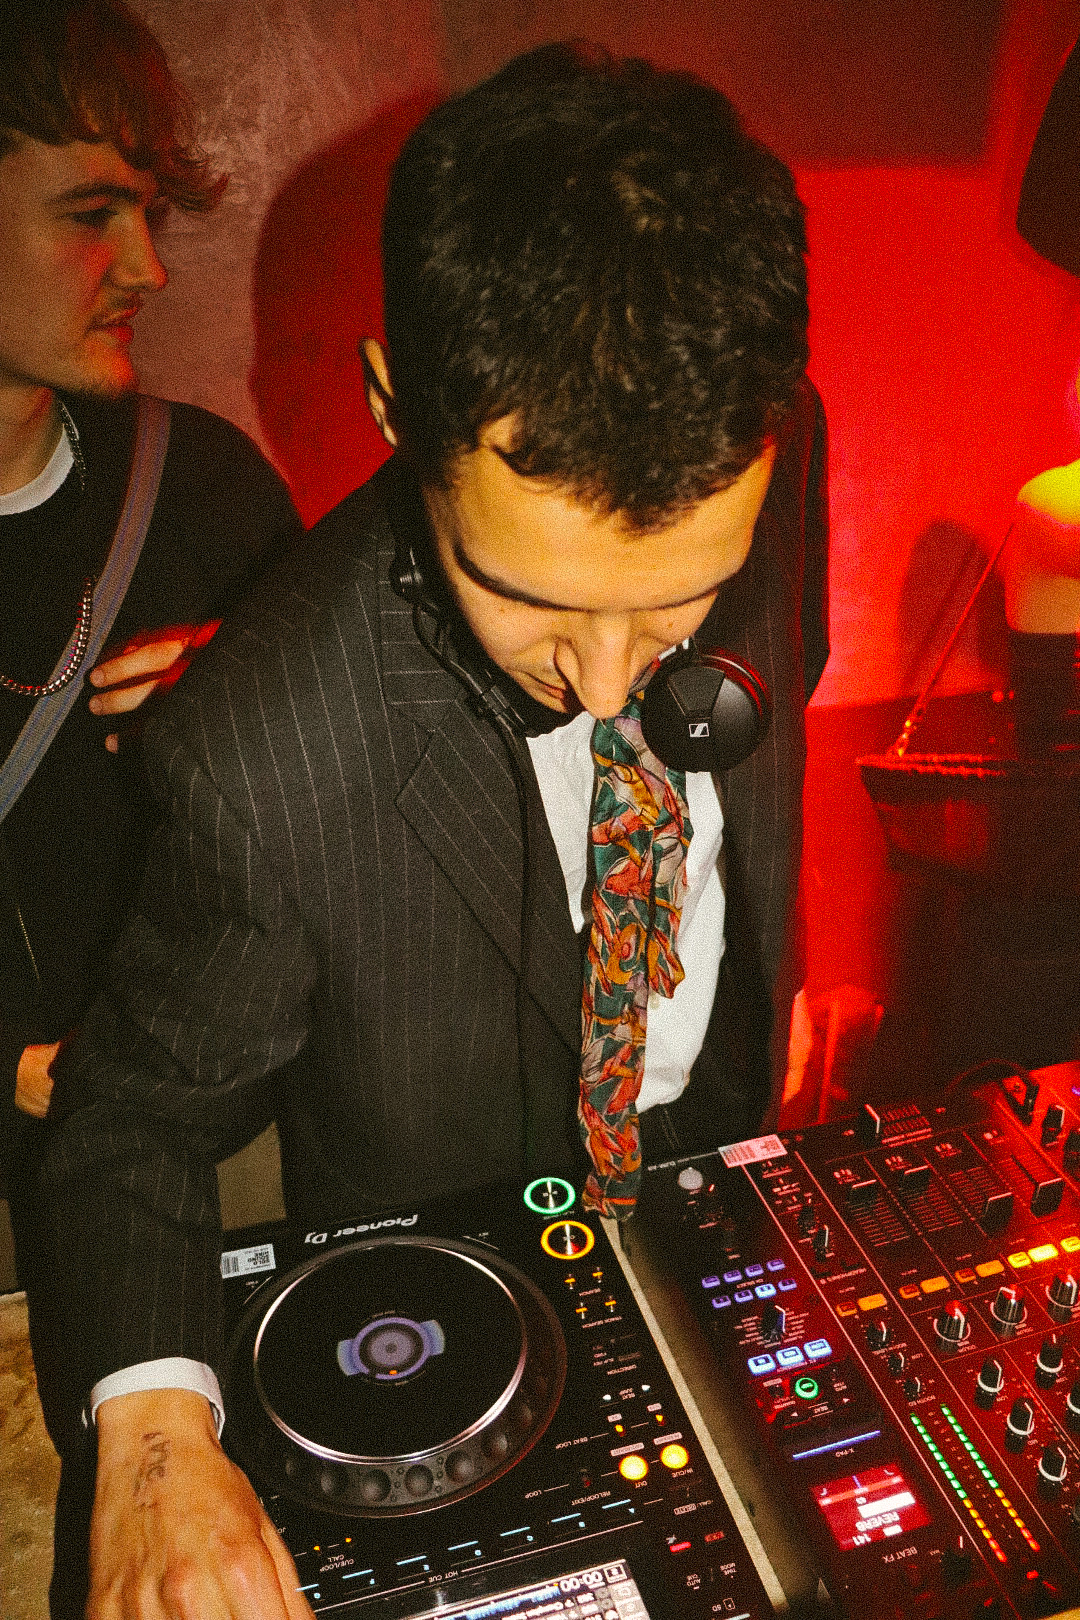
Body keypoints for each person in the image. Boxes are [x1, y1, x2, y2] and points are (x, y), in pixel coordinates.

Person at [43, 42, 828, 1618]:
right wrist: (153, 1440)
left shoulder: (776, 439)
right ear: (395, 404)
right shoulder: (258, 752)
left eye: (677, 601)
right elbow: (127, 1123)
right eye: (533, 600)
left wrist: (768, 989)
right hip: (456, 1325)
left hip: (733, 1184)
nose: (611, 686)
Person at [0, 0, 300, 1612]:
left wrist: (258, 714)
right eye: (87, 213)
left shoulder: (206, 491)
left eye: (148, 213)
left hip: (213, 1202)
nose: (147, 268)